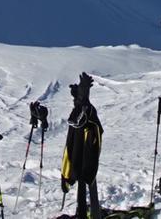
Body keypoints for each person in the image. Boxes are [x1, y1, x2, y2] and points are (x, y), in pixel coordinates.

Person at [60, 72, 104, 218]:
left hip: (88, 157)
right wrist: (79, 97)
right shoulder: (81, 109)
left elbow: (79, 122)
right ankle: (83, 212)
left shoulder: (87, 110)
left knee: (87, 179)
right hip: (79, 155)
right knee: (81, 180)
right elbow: (75, 122)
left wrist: (82, 97)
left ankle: (93, 213)